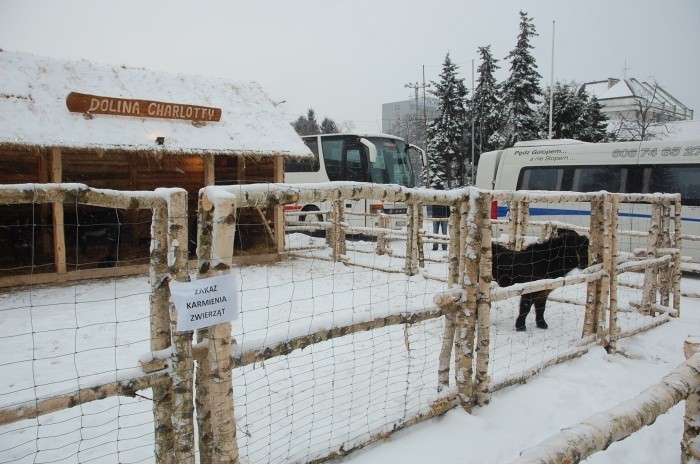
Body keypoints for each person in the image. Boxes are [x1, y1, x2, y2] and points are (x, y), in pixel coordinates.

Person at [430, 184, 449, 251]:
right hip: (443, 216)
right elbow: (448, 207)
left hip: (436, 216)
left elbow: (432, 206)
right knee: (444, 232)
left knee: (435, 232)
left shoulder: (435, 196)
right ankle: (444, 246)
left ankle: (435, 246)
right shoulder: (445, 196)